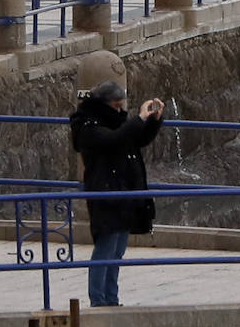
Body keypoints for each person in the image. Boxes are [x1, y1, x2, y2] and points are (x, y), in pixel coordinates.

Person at [70, 82, 164, 309]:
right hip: (106, 194)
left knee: (118, 249)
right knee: (106, 248)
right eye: (116, 106)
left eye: (123, 107)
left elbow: (136, 139)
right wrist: (139, 119)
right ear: (104, 104)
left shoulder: (115, 121)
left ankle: (111, 298)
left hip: (123, 192)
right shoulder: (88, 126)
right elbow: (114, 139)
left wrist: (152, 120)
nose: (121, 111)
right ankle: (98, 300)